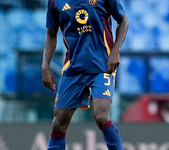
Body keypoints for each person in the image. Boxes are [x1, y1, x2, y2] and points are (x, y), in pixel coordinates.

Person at [42, 0, 129, 149]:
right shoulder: (54, 2)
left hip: (102, 65)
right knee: (58, 123)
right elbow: (51, 35)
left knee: (101, 115)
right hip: (73, 68)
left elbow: (123, 20)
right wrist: (45, 66)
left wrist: (116, 51)